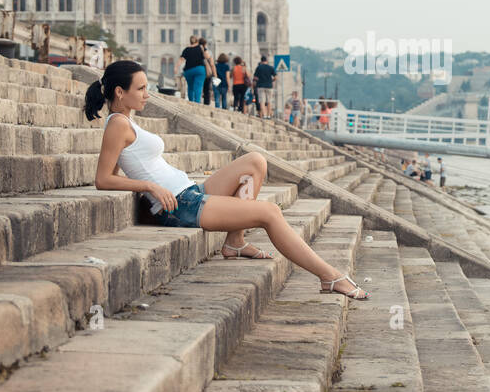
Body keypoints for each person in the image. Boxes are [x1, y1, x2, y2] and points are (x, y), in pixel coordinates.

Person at [87, 60, 369, 299]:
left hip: (189, 191)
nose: (148, 94)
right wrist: (148, 186)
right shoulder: (117, 124)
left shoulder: (127, 120)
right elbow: (103, 179)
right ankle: (329, 276)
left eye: (147, 87)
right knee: (269, 212)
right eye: (141, 89)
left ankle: (235, 242)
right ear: (120, 92)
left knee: (255, 162)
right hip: (180, 206)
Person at [180, 35, 206, 103]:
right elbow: (207, 56)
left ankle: (191, 101)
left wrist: (176, 68)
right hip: (199, 69)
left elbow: (181, 59)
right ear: (197, 41)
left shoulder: (186, 49)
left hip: (188, 70)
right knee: (198, 86)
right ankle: (197, 102)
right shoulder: (200, 47)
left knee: (190, 87)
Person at [199, 37, 215, 105]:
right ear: (205, 44)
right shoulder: (207, 52)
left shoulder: (196, 50)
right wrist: (214, 73)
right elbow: (211, 63)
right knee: (207, 89)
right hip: (207, 72)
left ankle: (197, 101)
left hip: (199, 70)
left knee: (198, 87)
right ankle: (206, 103)